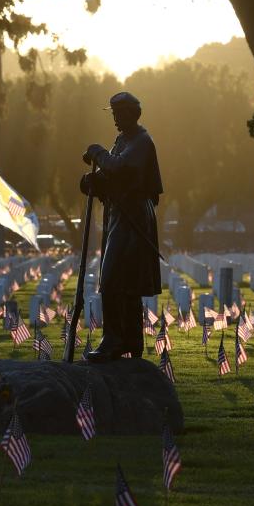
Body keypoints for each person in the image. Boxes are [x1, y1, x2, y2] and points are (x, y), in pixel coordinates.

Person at [80, 91, 163, 362]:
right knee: (123, 280)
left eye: (119, 113)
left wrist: (97, 152)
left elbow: (119, 167)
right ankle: (129, 339)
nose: (115, 118)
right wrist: (92, 182)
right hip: (119, 215)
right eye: (113, 113)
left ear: (132, 113)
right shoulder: (122, 140)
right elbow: (112, 175)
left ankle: (116, 340)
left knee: (114, 278)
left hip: (134, 218)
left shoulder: (141, 140)